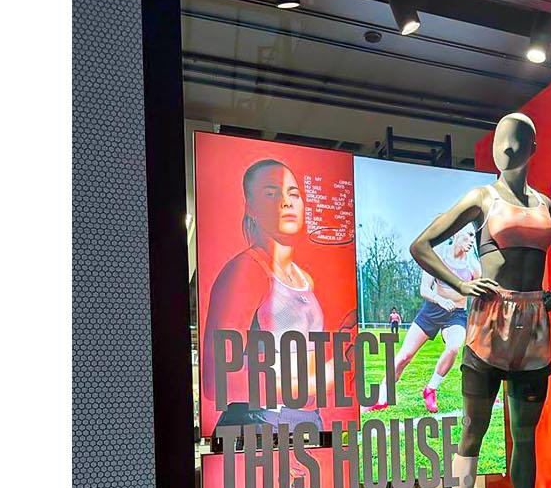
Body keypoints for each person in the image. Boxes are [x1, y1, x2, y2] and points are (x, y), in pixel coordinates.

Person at [407, 113, 551, 488]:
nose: (507, 148)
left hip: (533, 329)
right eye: (502, 140)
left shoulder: (544, 206)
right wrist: (462, 285)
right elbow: (421, 245)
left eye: (517, 140)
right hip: (488, 326)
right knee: (474, 430)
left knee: (524, 436)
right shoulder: (481, 198)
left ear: (532, 147)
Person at [202, 158, 344, 437]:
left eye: (293, 193)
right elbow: (216, 382)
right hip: (260, 423)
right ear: (251, 207)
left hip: (304, 421)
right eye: (271, 193)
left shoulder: (303, 278)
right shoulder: (246, 270)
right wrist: (318, 382)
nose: (286, 202)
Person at [368, 228, 478, 415]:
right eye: (468, 234)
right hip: (432, 311)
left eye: (474, 236)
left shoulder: (473, 266)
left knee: (453, 347)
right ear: (455, 234)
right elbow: (424, 289)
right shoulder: (437, 257)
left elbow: (478, 296)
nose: (472, 240)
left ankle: (430, 389)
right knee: (405, 356)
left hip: (456, 314)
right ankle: (382, 398)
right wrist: (440, 300)